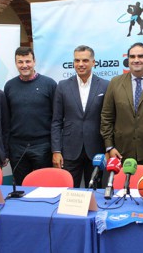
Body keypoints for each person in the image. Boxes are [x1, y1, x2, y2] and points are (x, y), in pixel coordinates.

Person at [51, 45, 109, 188]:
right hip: (70, 150)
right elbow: (56, 121)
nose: (80, 64)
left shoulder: (105, 85)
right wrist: (56, 151)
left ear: (93, 62)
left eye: (85, 60)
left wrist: (108, 149)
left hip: (96, 149)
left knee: (95, 191)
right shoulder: (62, 86)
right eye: (77, 60)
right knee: (69, 191)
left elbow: (110, 121)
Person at [4, 47, 57, 185]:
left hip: (43, 145)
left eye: (28, 61)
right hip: (17, 147)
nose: (24, 65)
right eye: (20, 62)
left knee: (44, 186)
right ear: (15, 63)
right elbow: (6, 119)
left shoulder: (49, 84)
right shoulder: (9, 86)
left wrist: (55, 147)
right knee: (21, 187)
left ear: (34, 62)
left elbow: (57, 118)